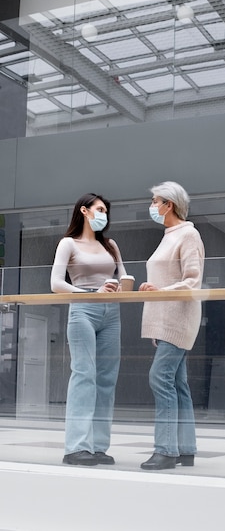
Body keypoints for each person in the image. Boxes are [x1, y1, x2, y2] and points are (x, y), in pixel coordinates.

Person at [50, 192, 126, 467]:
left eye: (106, 211)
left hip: (111, 311)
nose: (104, 214)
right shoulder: (68, 243)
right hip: (83, 307)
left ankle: (97, 447)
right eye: (100, 209)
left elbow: (123, 277)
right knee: (84, 374)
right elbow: (56, 283)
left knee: (107, 379)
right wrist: (88, 292)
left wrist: (118, 286)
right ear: (84, 211)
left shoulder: (111, 245)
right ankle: (76, 447)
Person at [139, 181, 205, 471]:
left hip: (179, 317)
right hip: (166, 319)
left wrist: (160, 291)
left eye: (156, 201)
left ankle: (166, 450)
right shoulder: (169, 236)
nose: (152, 206)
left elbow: (193, 280)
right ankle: (185, 449)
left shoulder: (188, 235)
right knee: (177, 384)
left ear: (170, 204)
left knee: (160, 379)